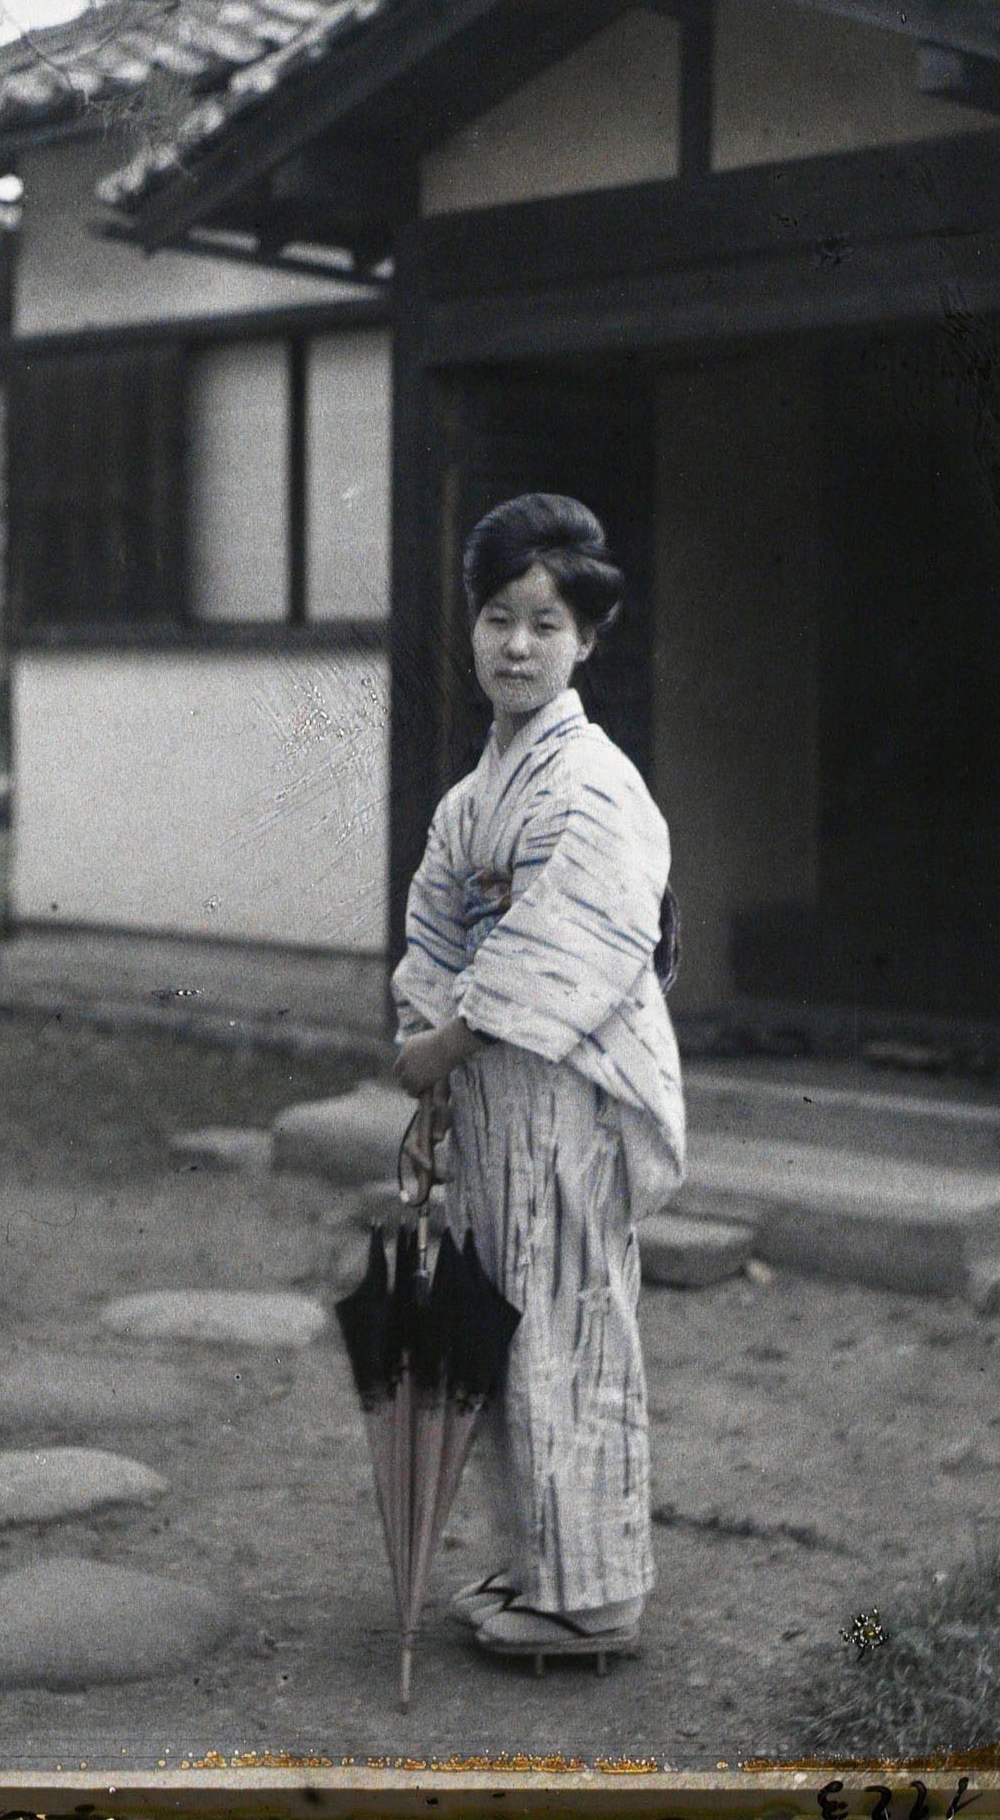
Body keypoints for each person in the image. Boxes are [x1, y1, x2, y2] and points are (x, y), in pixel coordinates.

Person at [391, 492, 686, 1665]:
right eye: (498, 616)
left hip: (563, 1088)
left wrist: (445, 1042)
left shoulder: (593, 784)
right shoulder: (477, 791)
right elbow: (435, 929)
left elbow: (574, 943)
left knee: (569, 1322)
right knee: (505, 1330)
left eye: (546, 623)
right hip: (491, 1094)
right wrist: (433, 1079)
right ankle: (541, 1563)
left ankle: (595, 1594)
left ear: (587, 641)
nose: (517, 644)